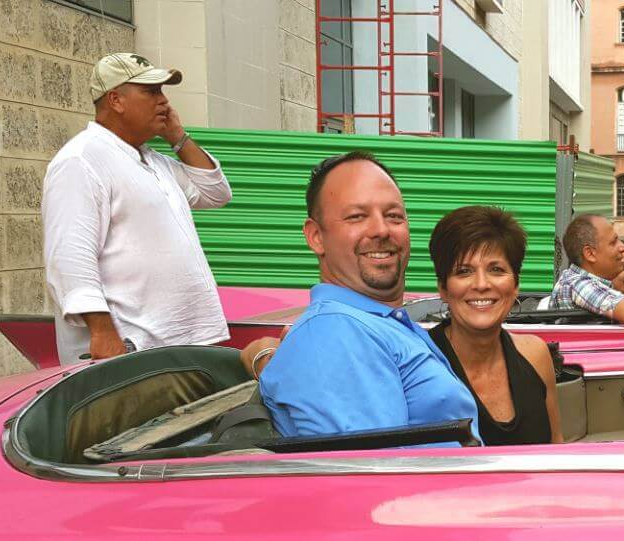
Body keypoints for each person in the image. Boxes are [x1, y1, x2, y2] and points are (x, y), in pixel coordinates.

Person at [256, 151, 480, 441]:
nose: (381, 230)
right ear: (316, 237)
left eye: (394, 216)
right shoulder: (334, 331)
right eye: (357, 217)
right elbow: (375, 476)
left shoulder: (377, 323)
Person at [43, 52, 233, 363]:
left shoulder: (154, 161)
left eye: (162, 91)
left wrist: (177, 136)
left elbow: (215, 192)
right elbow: (69, 254)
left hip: (179, 344)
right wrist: (103, 334)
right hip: (129, 350)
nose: (164, 101)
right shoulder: (81, 159)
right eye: (151, 91)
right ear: (116, 100)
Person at [426, 206, 563, 445]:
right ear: (443, 288)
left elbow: (555, 449)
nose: (481, 284)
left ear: (515, 285)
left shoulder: (535, 355)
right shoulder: (422, 361)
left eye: (496, 270)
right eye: (464, 271)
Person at [550, 214, 624, 324]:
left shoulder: (577, 280)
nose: (621, 247)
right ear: (590, 253)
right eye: (613, 242)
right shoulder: (577, 284)